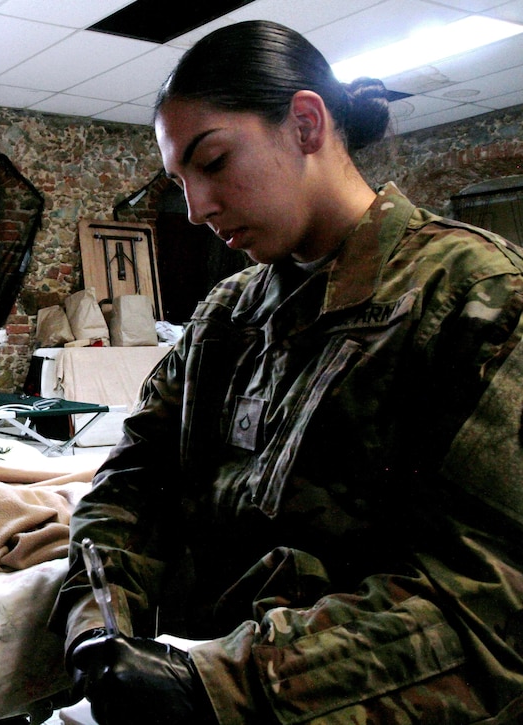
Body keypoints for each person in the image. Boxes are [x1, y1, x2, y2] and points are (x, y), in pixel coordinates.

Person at [51, 19, 523, 724]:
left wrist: (217, 686)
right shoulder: (225, 316)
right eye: (180, 180)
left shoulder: (478, 299)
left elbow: (489, 604)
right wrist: (101, 625)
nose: (196, 209)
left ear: (305, 124)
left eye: (212, 163)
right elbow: (133, 483)